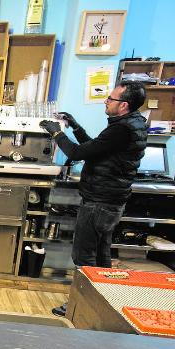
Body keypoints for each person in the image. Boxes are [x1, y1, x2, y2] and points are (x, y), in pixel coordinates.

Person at [39, 81, 147, 317]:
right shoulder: (131, 124)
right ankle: (105, 300)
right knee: (101, 253)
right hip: (110, 201)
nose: (106, 101)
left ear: (124, 105)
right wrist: (76, 127)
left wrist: (57, 133)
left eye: (111, 99)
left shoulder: (122, 130)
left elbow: (78, 153)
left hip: (100, 201)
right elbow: (93, 148)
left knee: (84, 255)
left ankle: (80, 305)